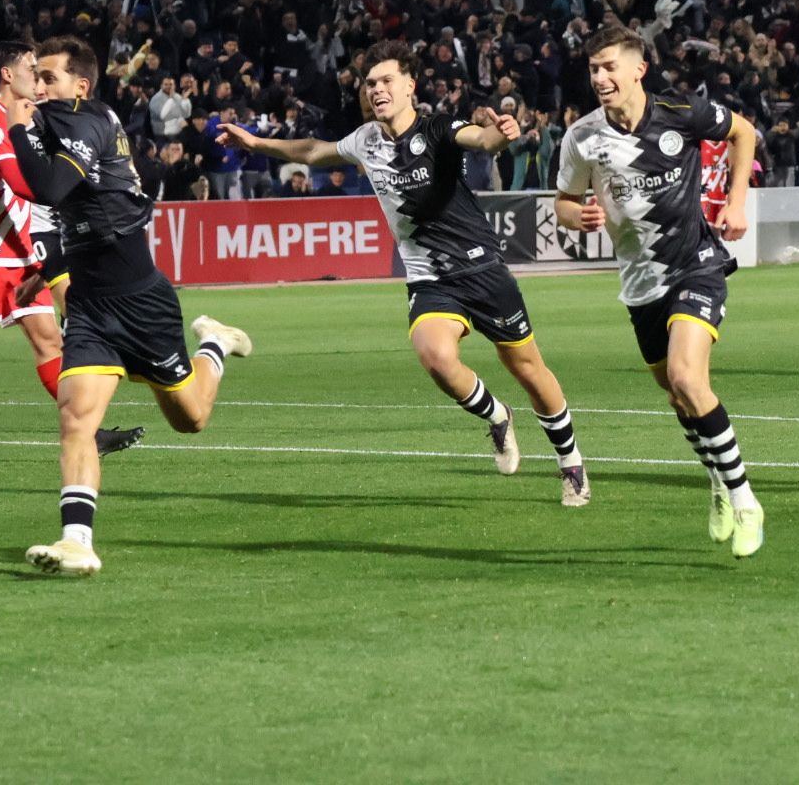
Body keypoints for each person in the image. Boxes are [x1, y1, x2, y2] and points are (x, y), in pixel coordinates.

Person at [216, 40, 591, 506]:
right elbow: (314, 150)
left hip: (481, 268)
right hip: (429, 278)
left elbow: (480, 138)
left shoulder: (437, 128)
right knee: (434, 356)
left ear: (410, 85)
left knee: (528, 368)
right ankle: (497, 416)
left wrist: (501, 133)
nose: (377, 90)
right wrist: (256, 142)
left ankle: (571, 462)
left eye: (387, 80)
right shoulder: (366, 140)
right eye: (370, 83)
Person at [8, 37, 252, 575]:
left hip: (143, 304)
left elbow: (49, 188)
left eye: (49, 77)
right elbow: (78, 212)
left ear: (80, 86)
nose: (39, 86)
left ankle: (215, 342)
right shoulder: (66, 120)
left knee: (192, 419)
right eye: (36, 76)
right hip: (92, 306)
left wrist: (16, 123)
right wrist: (45, 272)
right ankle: (77, 541)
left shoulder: (85, 123)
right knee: (76, 417)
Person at [555, 25, 763, 557]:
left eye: (609, 68)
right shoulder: (582, 137)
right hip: (640, 282)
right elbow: (561, 201)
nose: (600, 78)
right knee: (678, 396)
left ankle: (744, 498)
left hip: (695, 265)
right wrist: (578, 216)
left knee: (686, 377)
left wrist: (736, 203)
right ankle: (716, 479)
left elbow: (744, 132)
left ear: (637, 69)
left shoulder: (680, 111)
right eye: (594, 69)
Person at [0, 40, 139, 469]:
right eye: (30, 69)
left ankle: (91, 429)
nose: (37, 78)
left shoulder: (24, 119)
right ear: (6, 75)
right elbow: (23, 183)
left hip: (19, 256)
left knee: (49, 340)